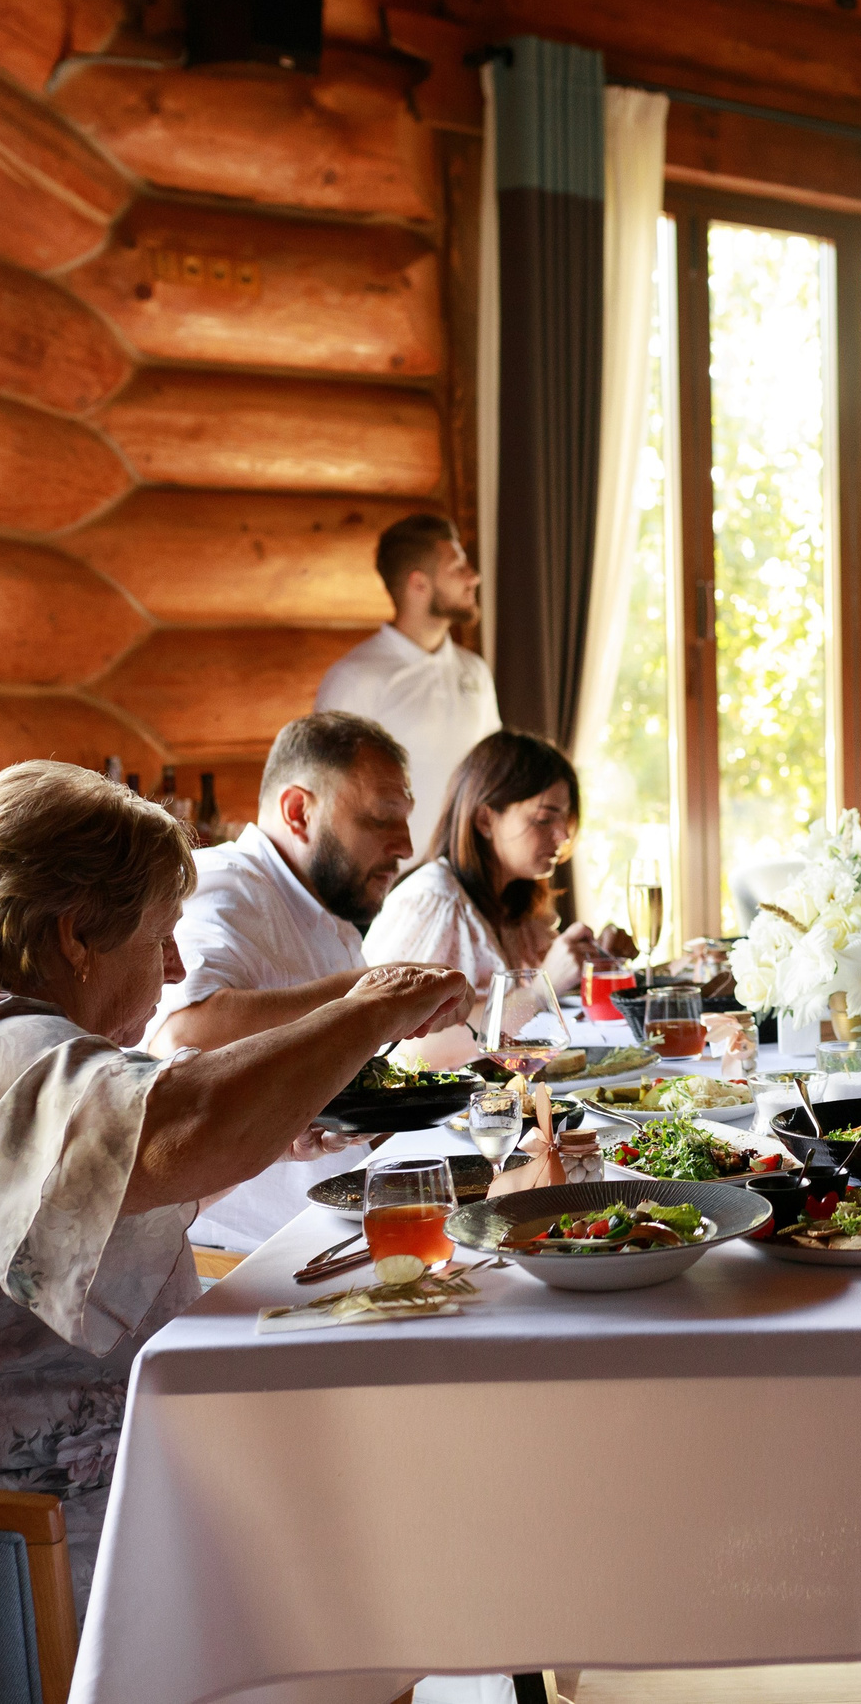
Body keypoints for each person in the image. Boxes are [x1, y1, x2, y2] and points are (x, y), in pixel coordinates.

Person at [0, 761, 469, 1609]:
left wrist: (275, 1136)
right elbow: (180, 1122)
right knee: (349, 1542)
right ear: (76, 934)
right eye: (162, 935)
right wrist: (372, 1005)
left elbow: (63, 1202)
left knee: (336, 1506)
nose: (173, 968)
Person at [148, 712, 431, 1251]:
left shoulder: (331, 916)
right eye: (381, 818)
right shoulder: (225, 883)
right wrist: (374, 992)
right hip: (254, 1260)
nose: (406, 845)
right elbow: (184, 1040)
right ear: (298, 811)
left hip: (344, 1228)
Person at [363, 729, 632, 1066]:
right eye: (544, 818)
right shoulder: (434, 901)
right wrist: (538, 993)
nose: (562, 836)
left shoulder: (516, 905)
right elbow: (405, 1050)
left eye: (565, 820)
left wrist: (595, 961)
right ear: (485, 819)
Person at [315, 513, 501, 859]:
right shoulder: (355, 678)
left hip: (471, 881)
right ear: (419, 584)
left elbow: (494, 777)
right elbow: (328, 799)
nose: (473, 577)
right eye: (457, 568)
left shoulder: (475, 671)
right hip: (387, 889)